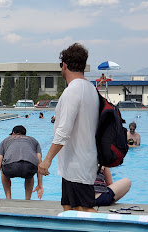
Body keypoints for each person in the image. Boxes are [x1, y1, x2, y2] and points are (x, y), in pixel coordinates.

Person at [38, 43, 99, 212]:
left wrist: (47, 159)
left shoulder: (73, 91)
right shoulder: (91, 89)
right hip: (82, 161)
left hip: (76, 164)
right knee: (69, 208)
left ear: (64, 65)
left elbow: (64, 131)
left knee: (82, 209)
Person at [0, 125, 43, 200]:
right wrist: (40, 184)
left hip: (11, 168)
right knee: (29, 175)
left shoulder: (6, 140)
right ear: (25, 134)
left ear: (13, 133)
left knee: (4, 171)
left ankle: (8, 198)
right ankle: (27, 199)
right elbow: (39, 162)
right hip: (29, 168)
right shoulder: (33, 140)